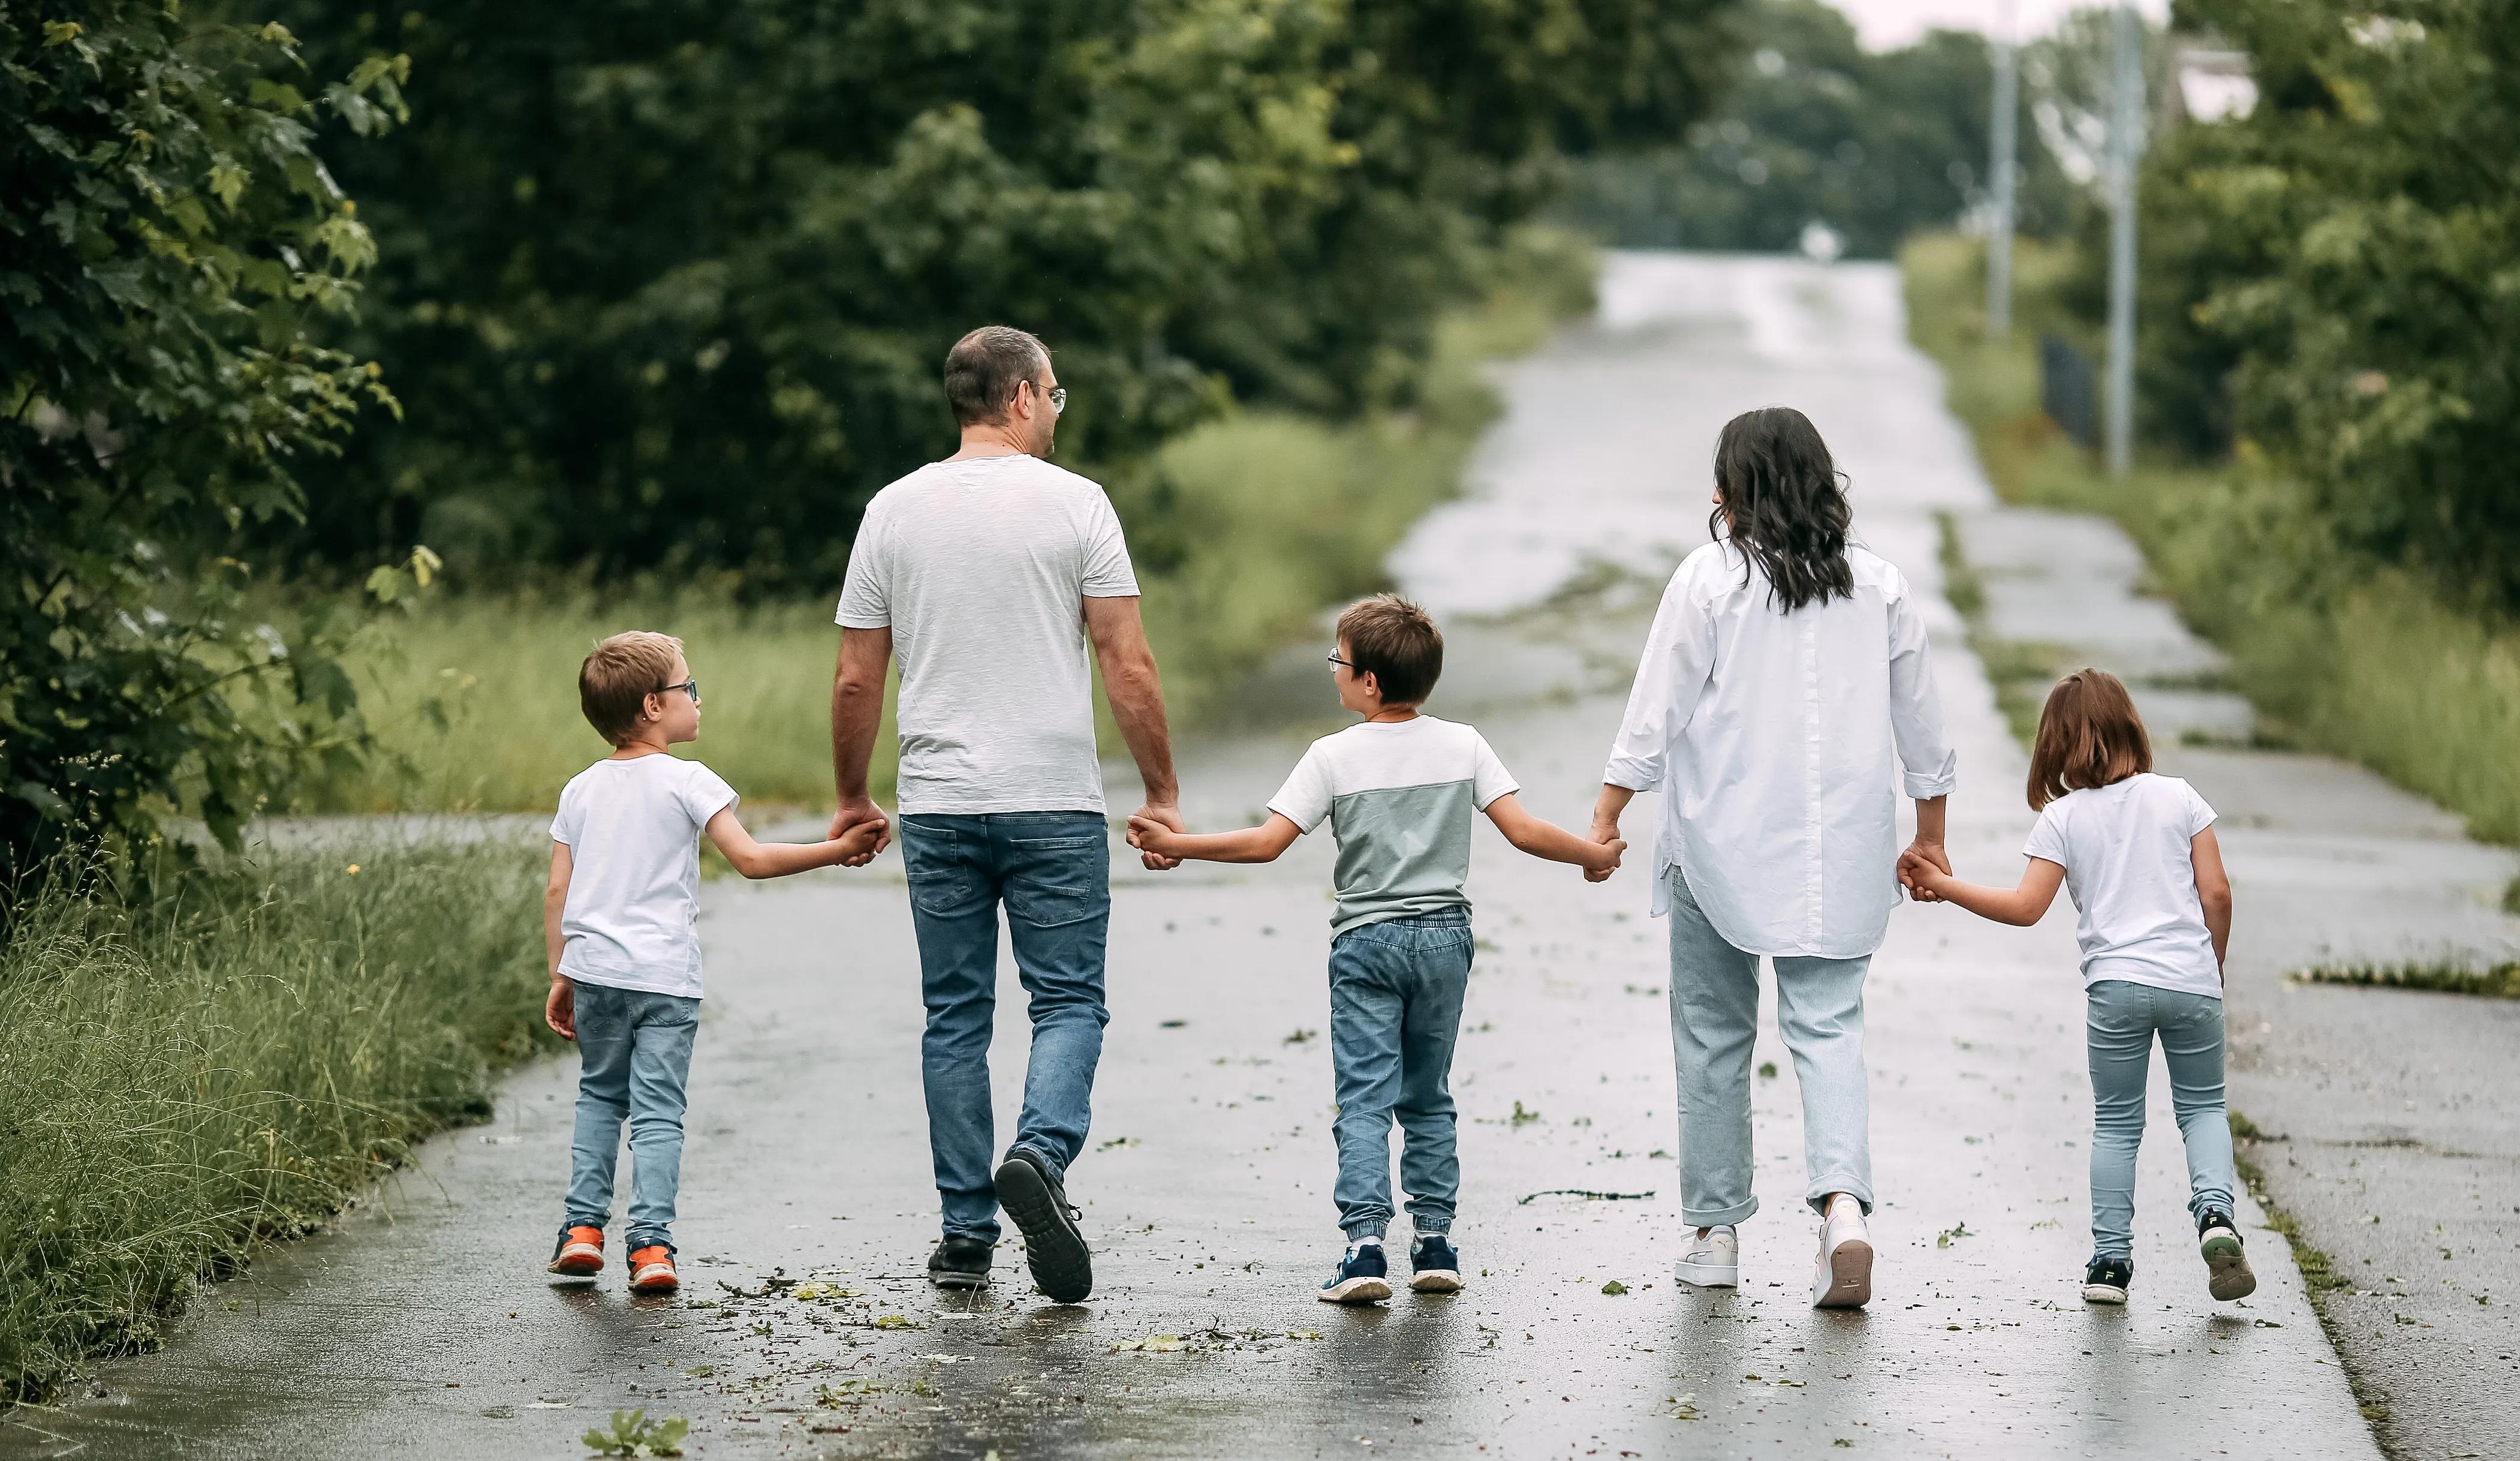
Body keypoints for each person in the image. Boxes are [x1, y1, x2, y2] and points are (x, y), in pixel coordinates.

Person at [1127, 596, 1625, 1304]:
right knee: (1428, 1095)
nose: (1334, 671)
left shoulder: (1331, 756)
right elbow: (1521, 829)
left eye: (1339, 661)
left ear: (1369, 683)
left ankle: (1364, 1248)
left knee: (1364, 1098)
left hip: (1366, 942)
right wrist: (1591, 855)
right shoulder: (1464, 745)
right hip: (1445, 940)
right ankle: (1434, 1242)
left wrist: (1178, 843)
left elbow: (1266, 844)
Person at [829, 326, 1182, 1304]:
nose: (1059, 412)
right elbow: (1127, 663)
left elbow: (860, 676)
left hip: (940, 806)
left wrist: (854, 796)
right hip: (1053, 802)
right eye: (1056, 395)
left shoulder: (892, 512)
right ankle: (1040, 1153)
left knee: (955, 1021)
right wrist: (1161, 792)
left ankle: (964, 1239)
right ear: (1023, 397)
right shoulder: (1079, 508)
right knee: (1067, 1003)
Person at [1590, 407, 1954, 1311]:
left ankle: (1714, 1235)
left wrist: (1606, 816)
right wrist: (1933, 834)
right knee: (1830, 1031)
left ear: (1730, 491)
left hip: (1719, 845)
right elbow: (1925, 728)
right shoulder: (1881, 586)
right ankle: (1843, 1211)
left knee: (1713, 1036)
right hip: (1843, 854)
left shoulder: (1710, 579)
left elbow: (1655, 710)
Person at [1896, 668, 2256, 1307]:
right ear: (2130, 726)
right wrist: (2212, 963)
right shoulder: (2180, 797)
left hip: (2116, 986)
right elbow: (2217, 893)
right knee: (2201, 1107)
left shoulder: (2063, 817)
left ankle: (2111, 1265)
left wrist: (1945, 886)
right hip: (2192, 982)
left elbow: (2026, 906)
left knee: (2118, 1124)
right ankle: (2217, 1217)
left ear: (2055, 746)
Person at [544, 633, 887, 1293]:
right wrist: (835, 848)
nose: (699, 699)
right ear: (652, 705)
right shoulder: (689, 781)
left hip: (595, 975)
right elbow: (752, 861)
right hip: (664, 979)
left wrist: (562, 971)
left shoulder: (580, 789)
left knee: (599, 1096)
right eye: (688, 688)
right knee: (658, 1112)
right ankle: (651, 1249)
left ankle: (582, 1231)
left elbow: (559, 890)